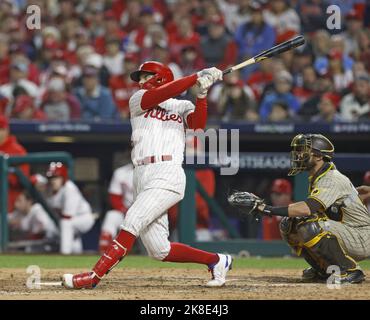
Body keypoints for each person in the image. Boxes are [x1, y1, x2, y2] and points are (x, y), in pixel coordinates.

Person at [62, 61, 232, 289]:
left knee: (131, 220)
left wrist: (201, 95)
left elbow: (198, 128)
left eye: (145, 76)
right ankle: (216, 260)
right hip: (141, 174)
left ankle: (94, 277)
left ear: (160, 76)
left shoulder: (182, 106)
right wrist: (195, 77)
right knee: (159, 249)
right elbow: (165, 92)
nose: (140, 82)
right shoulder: (138, 100)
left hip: (167, 172)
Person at [230, 134, 370, 284]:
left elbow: (307, 209)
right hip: (348, 231)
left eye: (303, 151)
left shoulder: (331, 178)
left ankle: (349, 270)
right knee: (289, 224)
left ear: (318, 156)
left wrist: (266, 208)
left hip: (361, 236)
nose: (298, 155)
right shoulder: (319, 177)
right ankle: (325, 269)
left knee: (308, 224)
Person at [45, 162, 95, 255]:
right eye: (50, 178)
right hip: (71, 220)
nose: (53, 180)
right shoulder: (49, 190)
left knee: (65, 224)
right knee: (56, 228)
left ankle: (65, 254)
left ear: (63, 178)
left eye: (56, 177)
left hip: (83, 218)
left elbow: (67, 216)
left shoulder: (69, 189)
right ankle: (75, 255)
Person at [99, 162, 134, 254]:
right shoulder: (121, 172)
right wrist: (126, 211)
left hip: (147, 215)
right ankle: (106, 255)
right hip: (126, 212)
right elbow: (114, 197)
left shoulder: (154, 170)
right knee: (111, 215)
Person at [0, 115, 30, 212]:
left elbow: (23, 180)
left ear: (6, 130)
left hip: (11, 205)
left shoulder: (17, 151)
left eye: (1, 129)